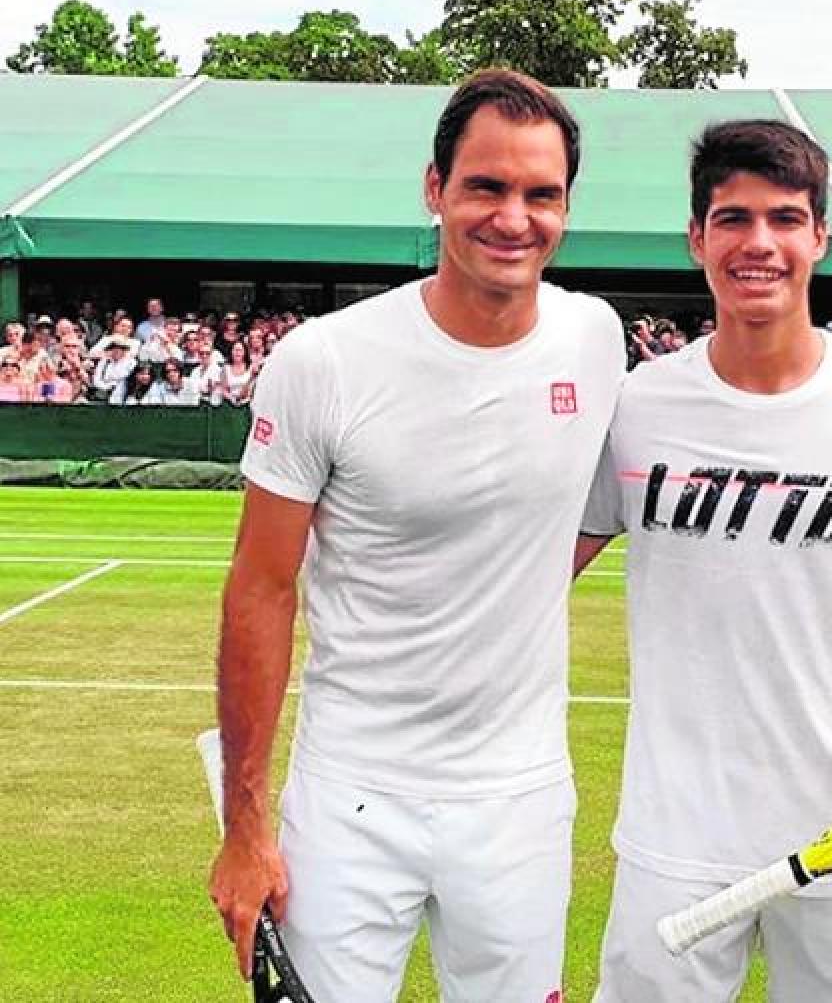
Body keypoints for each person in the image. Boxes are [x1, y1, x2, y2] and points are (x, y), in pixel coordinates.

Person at [208, 69, 625, 1003]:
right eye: (485, 186)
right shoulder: (324, 361)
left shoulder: (597, 336)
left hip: (521, 800)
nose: (512, 217)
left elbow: (594, 510)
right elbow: (261, 590)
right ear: (435, 189)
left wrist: (502, 594)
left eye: (540, 194)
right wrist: (243, 825)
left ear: (565, 206)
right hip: (350, 794)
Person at [575, 120, 832, 1003]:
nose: (760, 243)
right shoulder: (636, 405)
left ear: (819, 237)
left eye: (786, 218)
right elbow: (529, 572)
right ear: (697, 238)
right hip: (673, 833)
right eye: (734, 218)